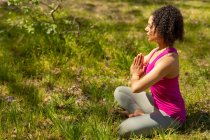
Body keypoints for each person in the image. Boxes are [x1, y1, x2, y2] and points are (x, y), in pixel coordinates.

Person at [114, 5, 186, 137]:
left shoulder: (169, 60)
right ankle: (140, 113)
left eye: (150, 26)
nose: (146, 29)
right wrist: (136, 71)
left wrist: (135, 75)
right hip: (157, 104)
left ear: (162, 29)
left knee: (122, 129)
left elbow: (136, 87)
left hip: (171, 115)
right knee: (120, 91)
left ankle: (143, 118)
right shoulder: (156, 51)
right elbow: (137, 64)